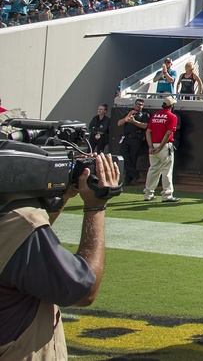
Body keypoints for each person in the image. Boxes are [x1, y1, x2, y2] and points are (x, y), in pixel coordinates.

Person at [0, 152, 120, 359]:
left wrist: (63, 196)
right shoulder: (18, 222)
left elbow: (22, 252)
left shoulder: (19, 229)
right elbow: (83, 290)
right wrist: (96, 205)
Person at [144, 96, 181, 203]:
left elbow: (148, 131)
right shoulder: (172, 116)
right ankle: (167, 195)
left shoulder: (155, 115)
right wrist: (160, 147)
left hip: (153, 145)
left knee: (153, 169)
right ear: (172, 106)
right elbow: (169, 133)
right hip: (165, 146)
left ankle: (148, 193)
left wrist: (151, 147)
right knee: (167, 170)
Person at [116, 98, 150, 186]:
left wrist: (134, 122)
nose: (138, 105)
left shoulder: (145, 115)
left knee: (133, 158)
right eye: (136, 104)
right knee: (123, 156)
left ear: (142, 106)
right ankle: (135, 174)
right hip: (126, 137)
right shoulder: (128, 113)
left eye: (140, 104)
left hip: (136, 139)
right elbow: (119, 123)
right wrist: (126, 118)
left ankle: (128, 179)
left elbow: (145, 126)